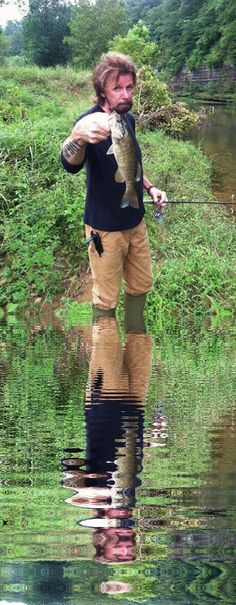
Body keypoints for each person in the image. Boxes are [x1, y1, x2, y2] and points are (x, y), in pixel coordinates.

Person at [61, 51, 167, 326]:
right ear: (102, 91)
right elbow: (69, 163)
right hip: (105, 230)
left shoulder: (127, 119)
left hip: (135, 222)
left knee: (141, 286)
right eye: (117, 88)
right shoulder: (90, 123)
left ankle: (135, 344)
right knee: (106, 302)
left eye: (129, 87)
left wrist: (150, 188)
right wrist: (76, 137)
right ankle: (106, 361)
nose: (124, 94)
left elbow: (131, 162)